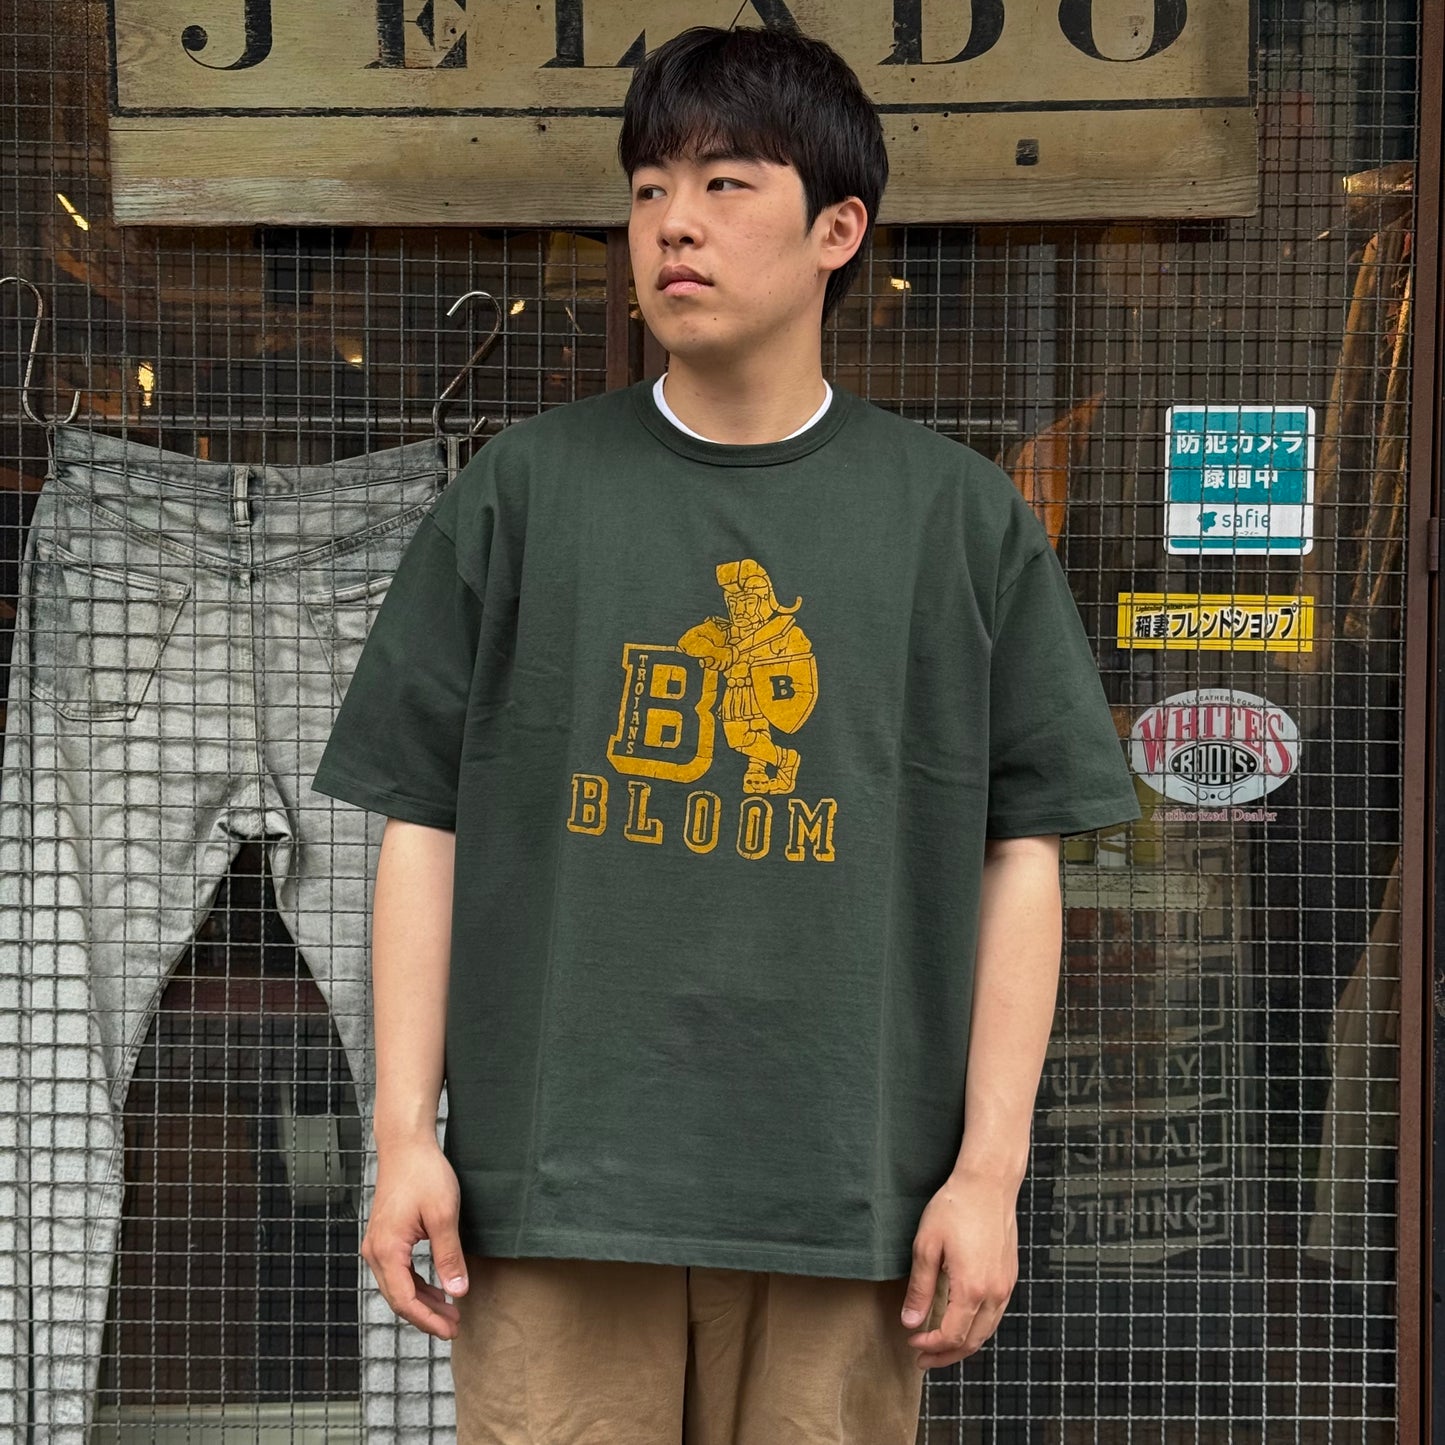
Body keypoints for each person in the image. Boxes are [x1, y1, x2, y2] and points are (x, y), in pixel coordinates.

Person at [311, 24, 1140, 1444]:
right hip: (557, 1195)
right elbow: (419, 826)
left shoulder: (957, 521)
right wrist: (403, 1136)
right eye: (648, 188)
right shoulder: (522, 493)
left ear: (838, 230)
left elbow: (1022, 856)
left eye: (724, 184)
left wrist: (988, 1173)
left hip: (845, 1196)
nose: (672, 224)